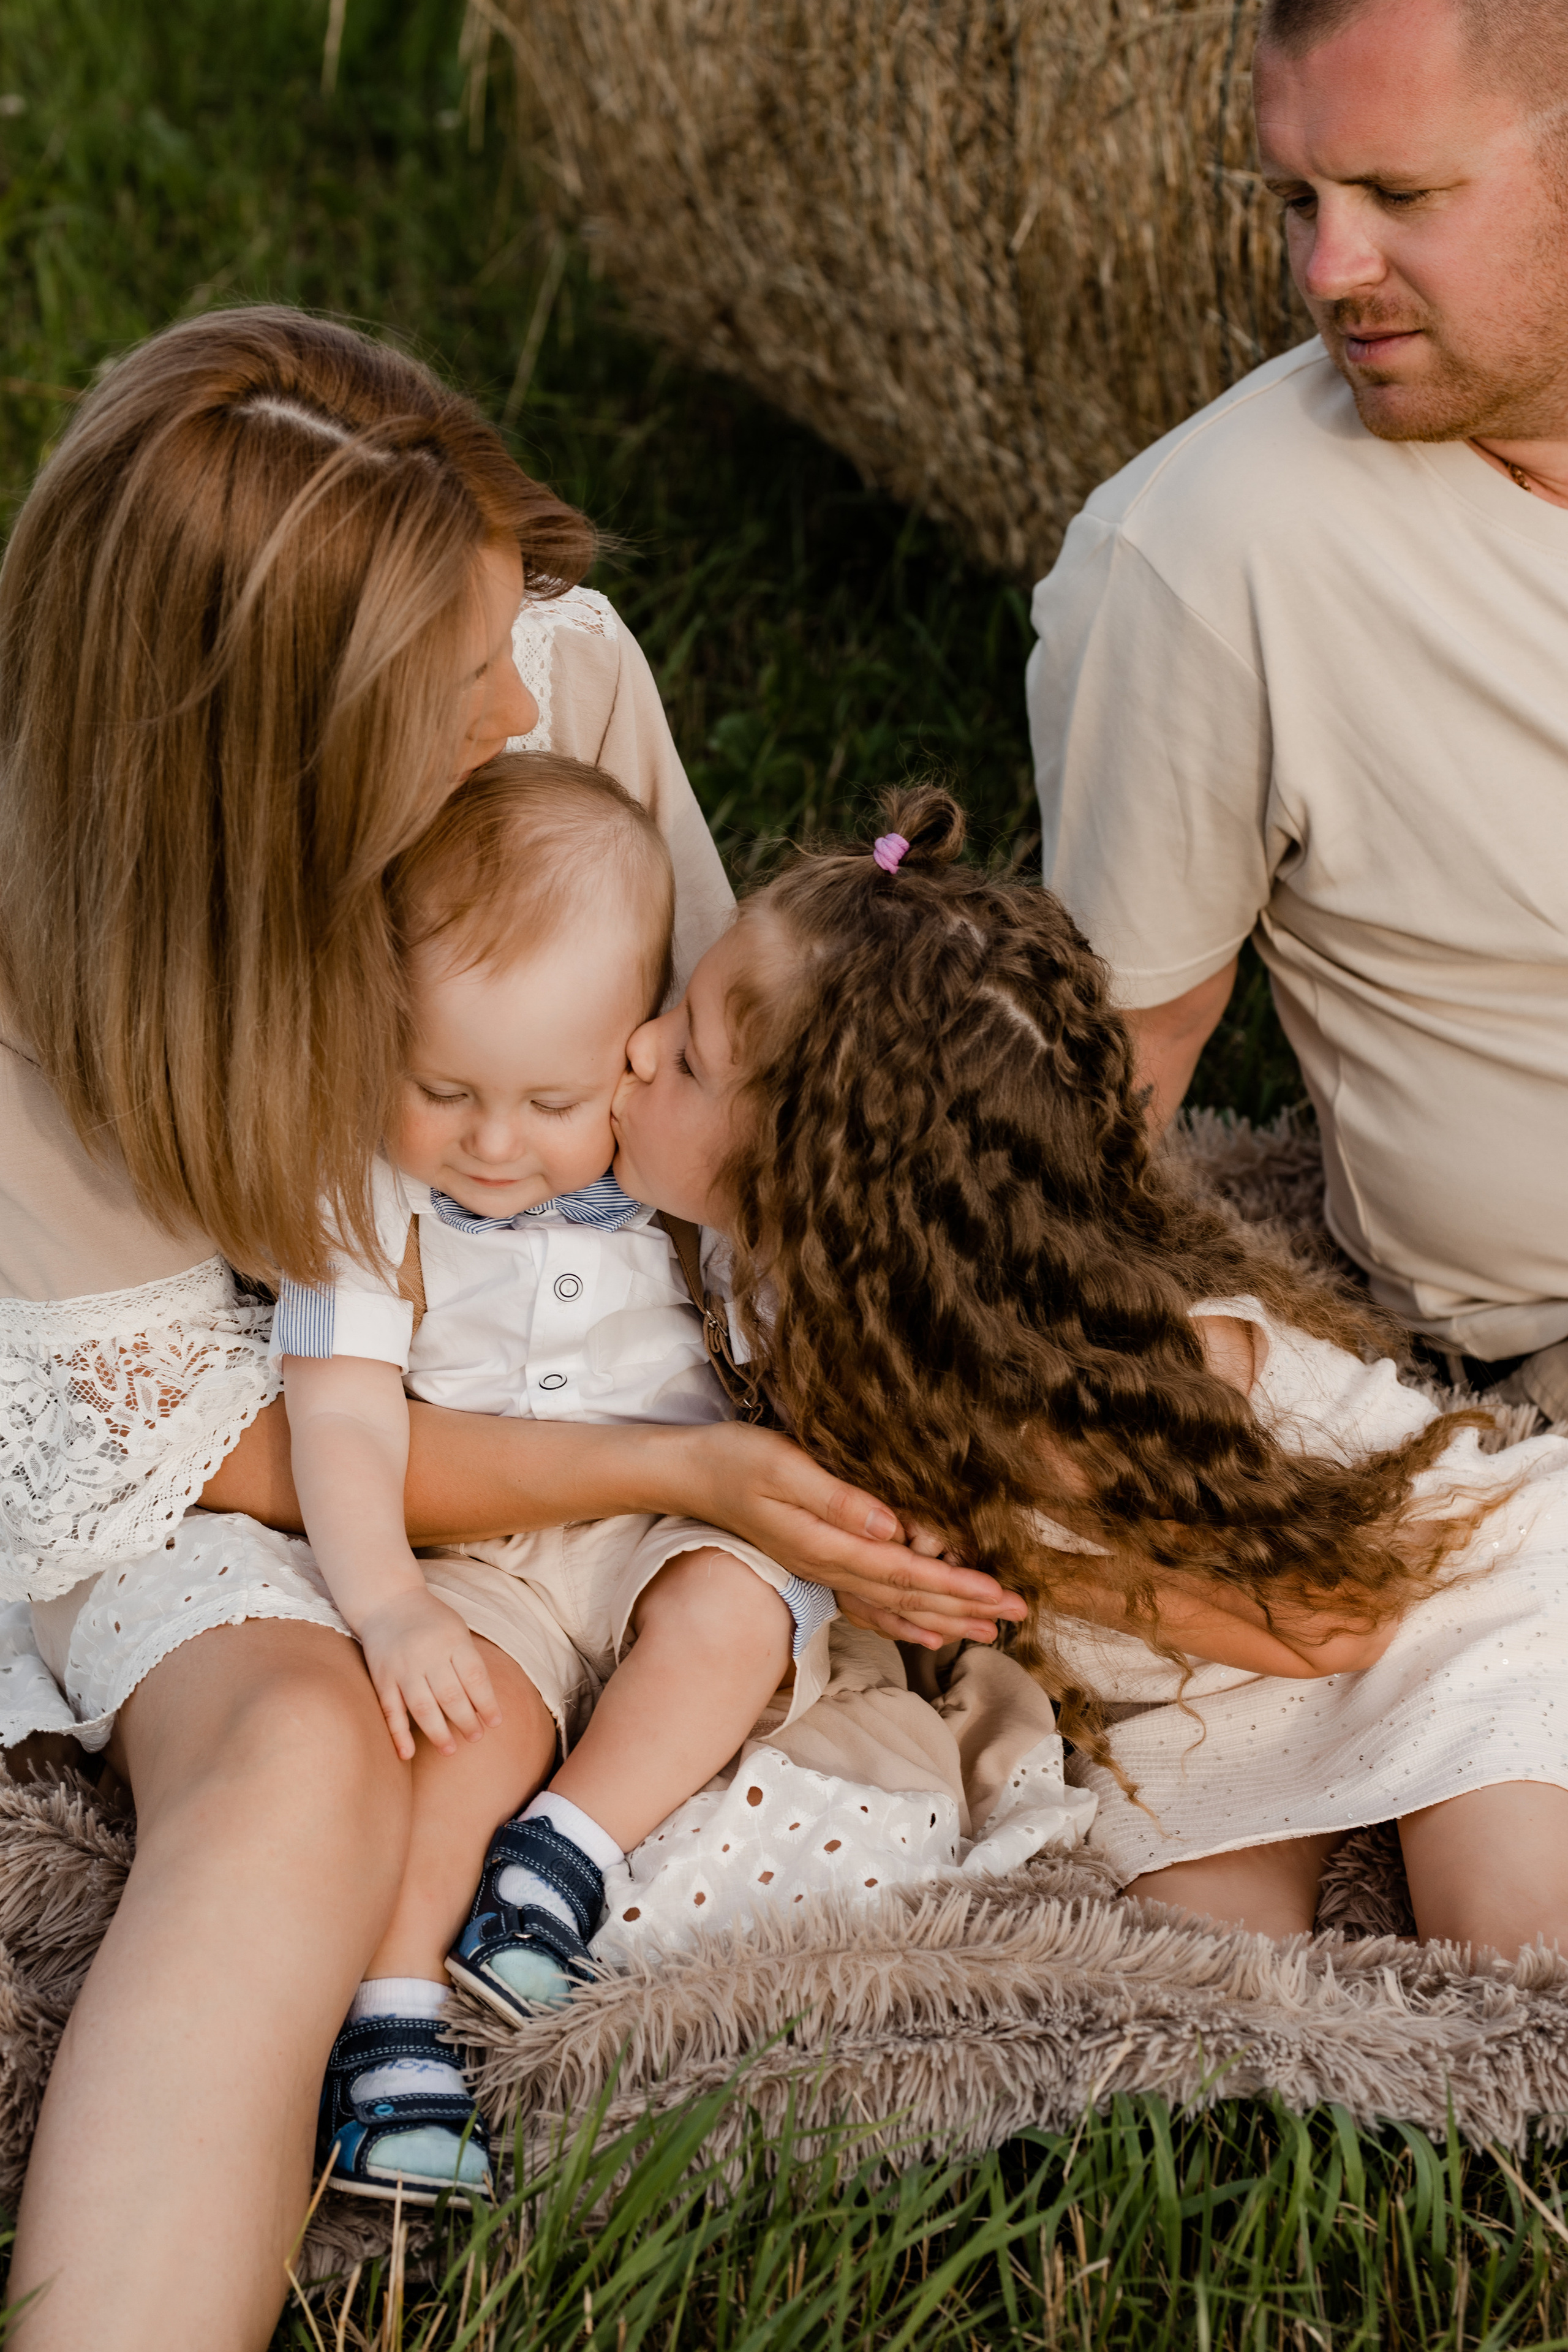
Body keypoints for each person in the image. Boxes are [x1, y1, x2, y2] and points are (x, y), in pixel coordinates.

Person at [0, 307, 1012, 2351]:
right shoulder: (43, 956)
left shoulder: (552, 673)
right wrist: (680, 1469)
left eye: (509, 624)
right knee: (301, 1754)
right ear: (274, 756)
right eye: (461, 679)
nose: (521, 685)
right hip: (211, 1434)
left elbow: (716, 1112)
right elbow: (226, 1443)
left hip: (534, 1379)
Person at [611, 783, 1568, 1954]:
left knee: (1513, 1942)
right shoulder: (781, 1289)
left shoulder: (1066, 1407)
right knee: (1206, 1986)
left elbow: (1334, 1624)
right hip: (1189, 1699)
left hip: (1425, 1600)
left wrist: (992, 1562)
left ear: (821, 1178)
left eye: (690, 1060)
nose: (640, 1046)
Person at [283, 751, 838, 2203]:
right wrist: (389, 1605)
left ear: (636, 1055)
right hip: (478, 1554)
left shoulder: (681, 1180)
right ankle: (393, 2020)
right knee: (449, 1731)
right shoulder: (367, 1196)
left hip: (674, 1522)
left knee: (737, 1613)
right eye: (441, 1088)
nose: (491, 1142)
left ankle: (559, 1860)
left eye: (549, 1099)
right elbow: (340, 1420)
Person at [1027, 0, 1568, 1416]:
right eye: (1295, 200)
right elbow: (1115, 1064)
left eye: (1399, 193)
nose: (1329, 269)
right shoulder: (1211, 549)